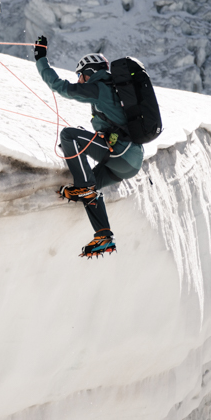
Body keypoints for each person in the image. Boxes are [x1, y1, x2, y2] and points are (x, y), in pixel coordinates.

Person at [33, 36, 143, 258]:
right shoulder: (114, 90)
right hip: (130, 161)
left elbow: (60, 87)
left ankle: (82, 185)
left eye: (81, 76)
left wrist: (41, 59)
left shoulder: (100, 87)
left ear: (91, 71)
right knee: (90, 190)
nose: (80, 81)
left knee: (69, 135)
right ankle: (104, 236)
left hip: (120, 153)